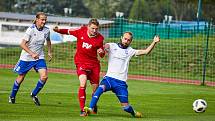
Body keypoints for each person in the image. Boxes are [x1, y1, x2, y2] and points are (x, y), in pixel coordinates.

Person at [84, 32, 160, 118]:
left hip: (121, 83)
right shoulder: (112, 46)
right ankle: (90, 109)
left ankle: (134, 113)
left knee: (126, 107)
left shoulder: (130, 51)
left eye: (128, 40)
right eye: (125, 39)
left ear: (130, 41)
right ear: (121, 38)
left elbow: (146, 52)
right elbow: (103, 47)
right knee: (99, 89)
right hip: (109, 79)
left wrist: (154, 42)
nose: (126, 41)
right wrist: (101, 48)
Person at [53, 18, 105, 116]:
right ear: (88, 26)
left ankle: (93, 105)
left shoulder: (100, 38)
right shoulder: (81, 31)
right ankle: (82, 110)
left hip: (94, 65)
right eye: (93, 28)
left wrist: (101, 52)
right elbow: (68, 31)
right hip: (81, 62)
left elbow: (102, 54)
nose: (94, 31)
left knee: (95, 90)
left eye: (96, 29)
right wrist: (58, 30)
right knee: (83, 83)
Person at [9, 12, 52, 106]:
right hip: (27, 57)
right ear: (37, 19)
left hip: (39, 57)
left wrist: (49, 52)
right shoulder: (30, 30)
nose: (44, 21)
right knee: (21, 77)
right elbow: (22, 44)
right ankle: (12, 96)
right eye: (42, 19)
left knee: (44, 76)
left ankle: (34, 94)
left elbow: (48, 41)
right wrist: (32, 53)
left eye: (45, 20)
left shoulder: (47, 30)